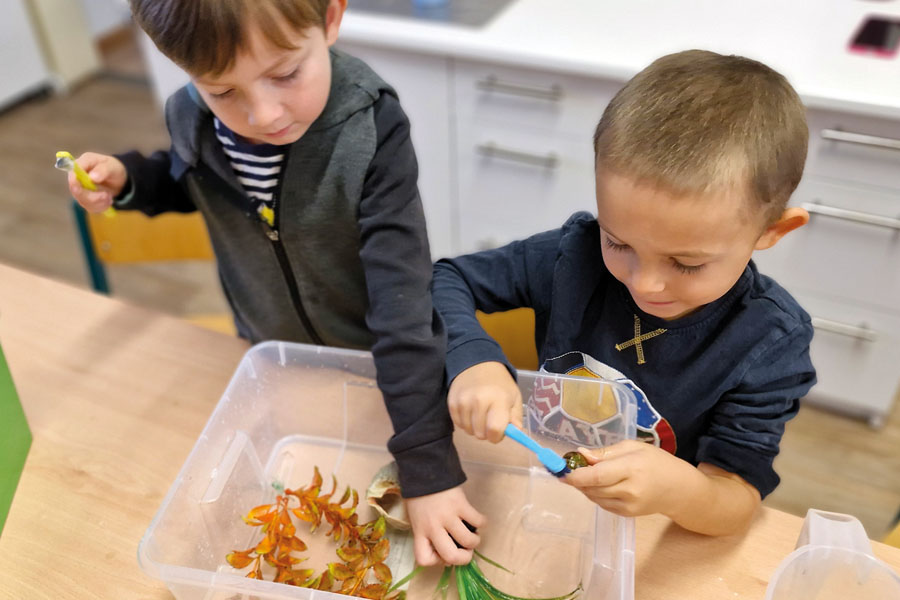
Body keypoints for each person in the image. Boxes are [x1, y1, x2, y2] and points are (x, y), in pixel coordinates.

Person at [65, 0, 482, 565]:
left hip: (380, 374)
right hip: (271, 357)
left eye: (285, 74)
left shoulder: (371, 129)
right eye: (222, 90)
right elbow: (187, 178)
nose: (262, 115)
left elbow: (403, 306)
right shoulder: (191, 115)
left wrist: (428, 468)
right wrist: (132, 179)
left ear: (330, 18)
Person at [432, 50, 817, 536]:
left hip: (651, 525)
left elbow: (735, 498)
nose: (643, 283)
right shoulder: (572, 256)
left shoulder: (771, 341)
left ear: (772, 231)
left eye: (687, 263)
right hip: (535, 492)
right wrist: (472, 357)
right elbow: (442, 279)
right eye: (617, 242)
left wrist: (678, 491)